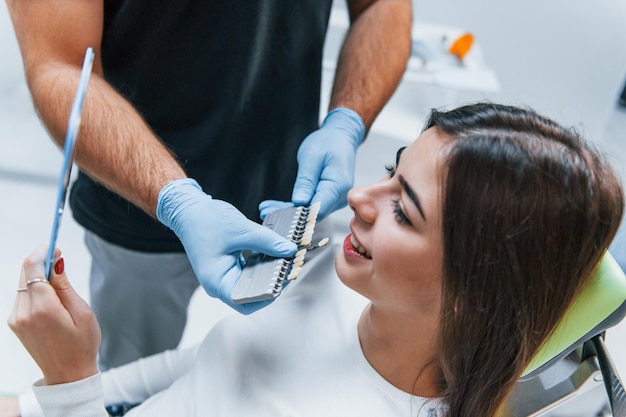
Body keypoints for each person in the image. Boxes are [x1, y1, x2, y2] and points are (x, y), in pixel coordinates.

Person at [3, 103, 625, 417]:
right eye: (390, 170)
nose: (358, 197)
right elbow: (204, 365)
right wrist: (47, 401)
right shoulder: (340, 267)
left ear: (474, 290)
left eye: (404, 212)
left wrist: (68, 381)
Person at [5, 1, 413, 369]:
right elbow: (59, 63)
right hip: (140, 208)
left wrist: (348, 120)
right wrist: (176, 201)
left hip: (293, 202)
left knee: (286, 369)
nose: (362, 198)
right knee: (131, 374)